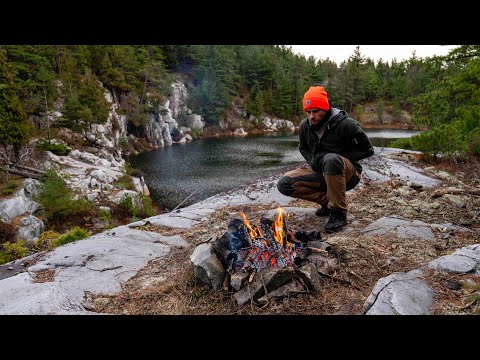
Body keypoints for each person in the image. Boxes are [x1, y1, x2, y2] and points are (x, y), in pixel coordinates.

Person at [277, 85, 374, 232]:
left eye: (315, 111)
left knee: (331, 160)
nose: (311, 116)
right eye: (308, 112)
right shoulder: (305, 126)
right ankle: (328, 204)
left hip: (348, 174)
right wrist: (312, 161)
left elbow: (368, 150)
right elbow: (303, 148)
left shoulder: (346, 124)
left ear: (325, 107)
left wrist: (340, 156)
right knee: (285, 184)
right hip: (321, 171)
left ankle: (338, 212)